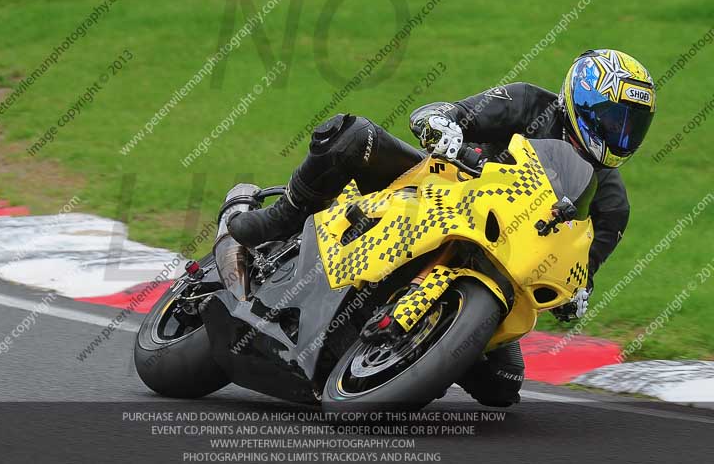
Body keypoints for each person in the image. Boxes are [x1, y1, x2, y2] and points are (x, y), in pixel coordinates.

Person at [227, 49, 656, 406]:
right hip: (434, 192)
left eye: (631, 126)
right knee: (355, 136)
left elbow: (582, 265)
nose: (619, 134)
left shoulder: (611, 202)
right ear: (579, 98)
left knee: (503, 387)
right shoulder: (529, 103)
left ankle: (429, 346)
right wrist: (446, 125)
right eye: (612, 118)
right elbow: (459, 112)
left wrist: (575, 293)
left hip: (499, 268)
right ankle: (282, 216)